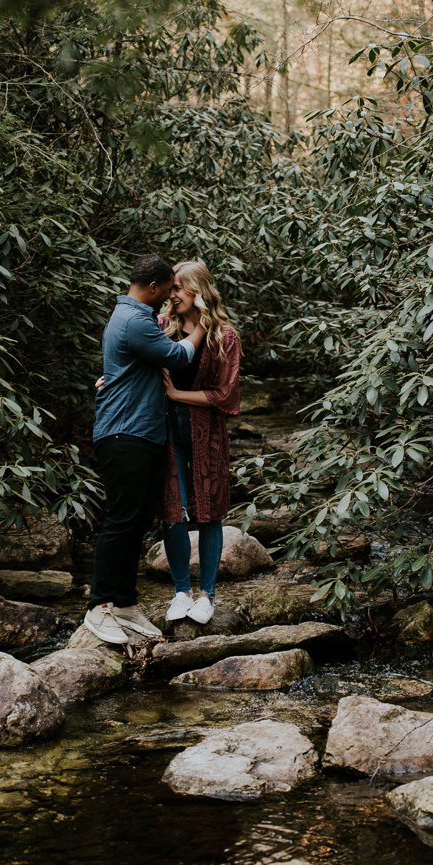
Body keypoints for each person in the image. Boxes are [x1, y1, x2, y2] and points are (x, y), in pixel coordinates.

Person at [84, 255, 206, 645]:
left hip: (142, 434)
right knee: (121, 521)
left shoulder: (135, 319)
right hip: (124, 434)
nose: (172, 295)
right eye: (170, 289)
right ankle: (99, 606)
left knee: (136, 521)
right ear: (153, 288)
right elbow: (179, 355)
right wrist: (202, 324)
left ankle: (124, 602)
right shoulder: (134, 320)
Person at [157, 261, 241, 625]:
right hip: (165, 431)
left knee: (210, 512)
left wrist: (176, 394)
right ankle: (180, 592)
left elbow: (226, 394)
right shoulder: (162, 327)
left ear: (198, 291)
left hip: (207, 432)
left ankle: (207, 594)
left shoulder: (225, 336)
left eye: (177, 287)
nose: (170, 294)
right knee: (173, 509)